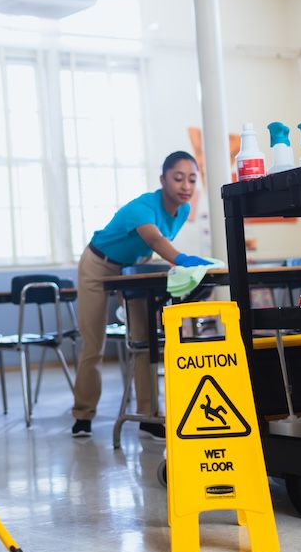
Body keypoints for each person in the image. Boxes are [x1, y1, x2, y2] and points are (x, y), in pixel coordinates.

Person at [70, 151, 212, 438]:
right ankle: (83, 415)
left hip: (134, 267)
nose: (185, 186)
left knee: (145, 341)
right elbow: (154, 238)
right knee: (93, 344)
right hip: (99, 263)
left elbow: (151, 246)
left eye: (192, 179)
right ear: (163, 180)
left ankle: (148, 415)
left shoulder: (183, 210)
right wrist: (181, 259)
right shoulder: (143, 207)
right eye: (178, 178)